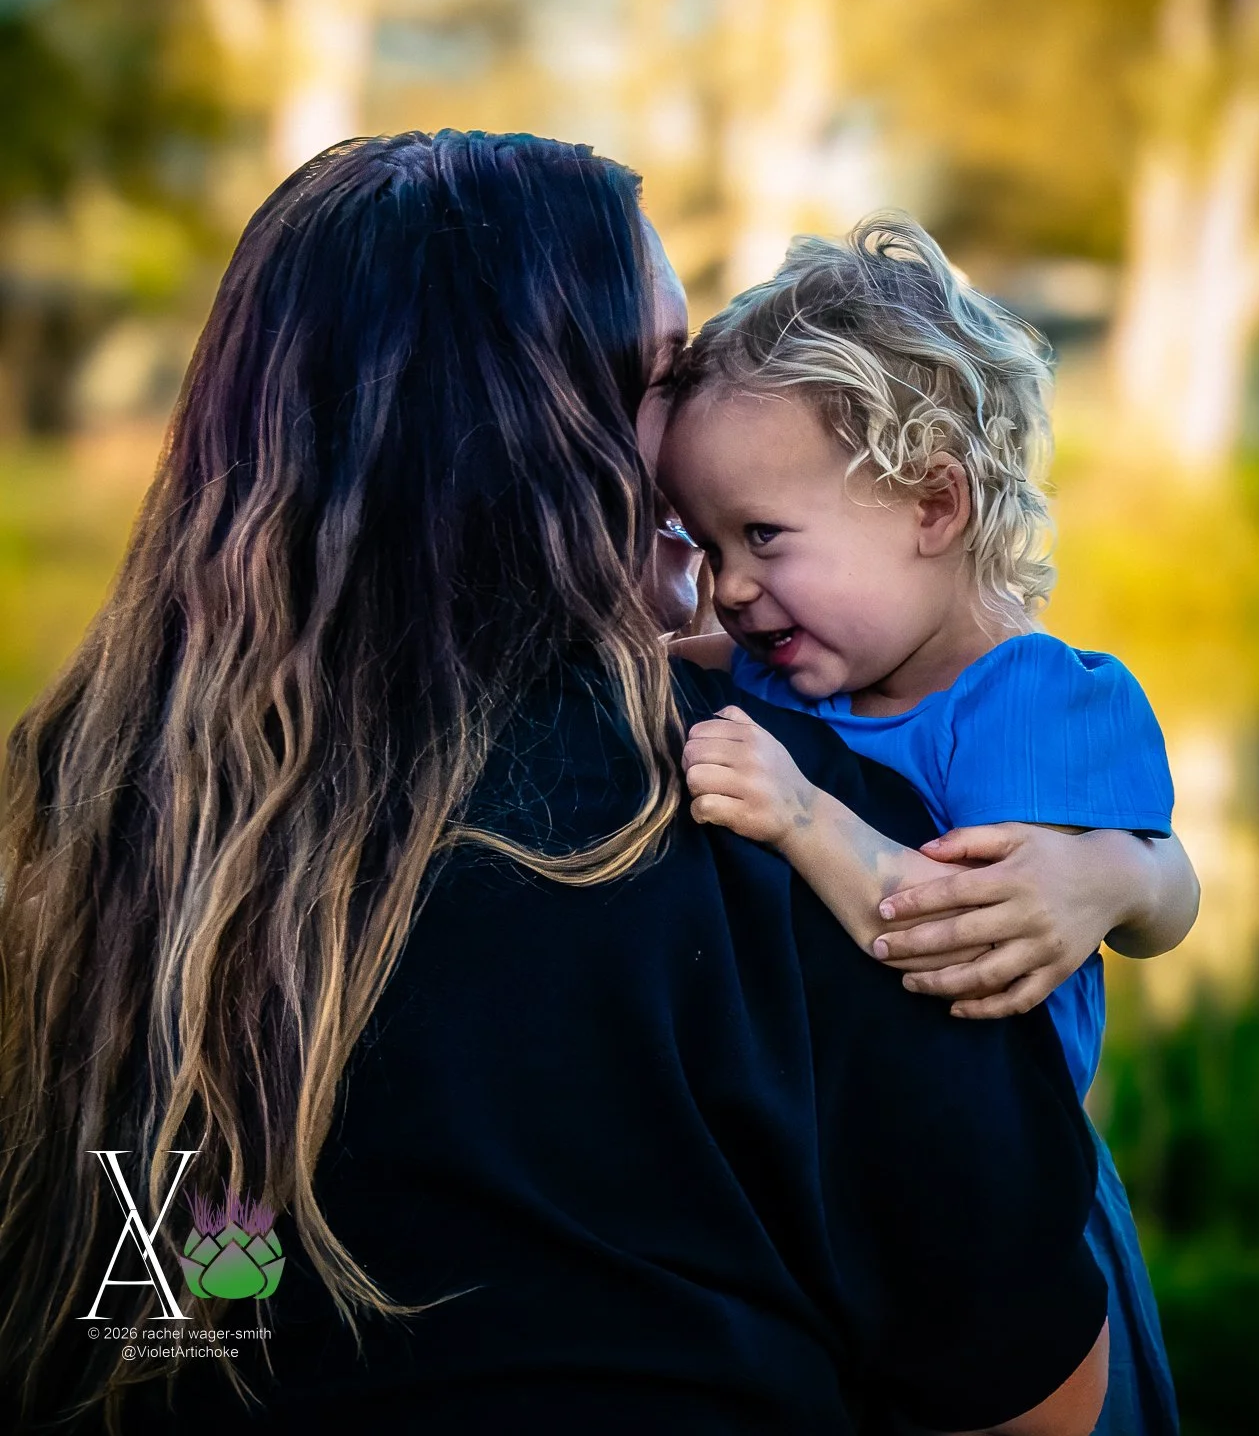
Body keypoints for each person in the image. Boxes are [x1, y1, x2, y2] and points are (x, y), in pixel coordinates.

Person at [0, 133, 1110, 1436]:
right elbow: (1039, 1404)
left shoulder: (82, 818)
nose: (700, 438)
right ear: (528, 437)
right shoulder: (763, 807)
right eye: (661, 378)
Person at [659, 213, 1198, 1436]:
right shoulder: (794, 663)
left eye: (763, 537)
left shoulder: (1031, 707)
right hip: (848, 1182)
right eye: (703, 542)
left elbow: (954, 940)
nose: (728, 587)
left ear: (931, 505)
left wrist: (800, 815)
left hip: (1008, 1227)